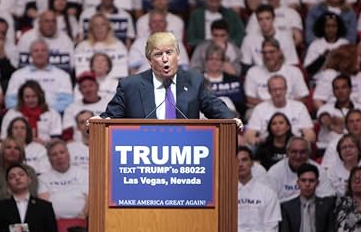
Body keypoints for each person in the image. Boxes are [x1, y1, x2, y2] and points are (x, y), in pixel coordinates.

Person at [100, 31, 235, 121]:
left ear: (178, 56)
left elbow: (215, 107)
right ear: (150, 61)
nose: (165, 59)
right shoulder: (130, 85)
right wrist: (100, 122)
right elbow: (110, 117)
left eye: (169, 53)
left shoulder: (193, 81)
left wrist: (231, 120)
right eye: (158, 54)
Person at [0, 163, 57, 232]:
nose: (17, 178)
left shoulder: (45, 207)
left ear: (29, 180)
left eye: (21, 174)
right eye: (12, 177)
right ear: (7, 184)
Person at [5, 39, 73, 114]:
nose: (40, 53)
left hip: (52, 116)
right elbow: (10, 101)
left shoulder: (62, 75)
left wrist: (45, 112)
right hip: (23, 116)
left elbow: (67, 102)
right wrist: (27, 112)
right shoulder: (17, 75)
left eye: (43, 50)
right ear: (30, 54)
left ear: (48, 53)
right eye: (36, 51)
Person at [246, 75, 315, 145]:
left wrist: (301, 144)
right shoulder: (259, 109)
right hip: (268, 147)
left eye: (280, 89)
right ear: (269, 91)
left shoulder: (299, 107)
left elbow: (310, 134)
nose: (278, 93)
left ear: (286, 89)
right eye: (274, 89)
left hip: (294, 147)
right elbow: (249, 134)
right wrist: (256, 141)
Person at [279, 163, 337, 232]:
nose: (307, 184)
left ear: (318, 183)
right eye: (303, 180)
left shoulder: (327, 205)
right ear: (297, 183)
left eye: (311, 180)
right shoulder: (287, 207)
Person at [267, 136, 334, 202]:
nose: (298, 156)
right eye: (294, 152)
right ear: (287, 153)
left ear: (309, 153)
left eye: (302, 152)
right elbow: (269, 201)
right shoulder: (275, 171)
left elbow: (327, 196)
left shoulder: (319, 171)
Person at [237, 146, 280, 232]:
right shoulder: (223, 195)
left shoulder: (268, 193)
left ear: (252, 163)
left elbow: (272, 231)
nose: (240, 164)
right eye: (236, 160)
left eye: (244, 160)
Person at [0, 137, 39, 212]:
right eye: (8, 147)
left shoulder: (29, 171)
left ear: (21, 153)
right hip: (0, 216)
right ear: (2, 151)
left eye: (16, 148)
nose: (12, 150)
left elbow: (32, 197)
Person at [38, 140, 88, 220]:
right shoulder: (42, 179)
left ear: (68, 155)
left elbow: (90, 198)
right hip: (54, 222)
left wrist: (84, 215)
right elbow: (44, 204)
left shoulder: (83, 174)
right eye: (54, 154)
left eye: (62, 152)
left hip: (82, 220)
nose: (59, 157)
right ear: (49, 159)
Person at [73, 13, 128, 79]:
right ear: (91, 29)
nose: (99, 28)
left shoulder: (118, 45)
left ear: (108, 27)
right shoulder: (82, 46)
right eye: (96, 25)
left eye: (103, 24)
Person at [303, 12, 349, 78]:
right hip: (318, 81)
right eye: (328, 26)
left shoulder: (345, 43)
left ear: (338, 27)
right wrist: (322, 57)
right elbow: (309, 71)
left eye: (334, 26)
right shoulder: (315, 45)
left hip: (341, 81)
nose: (331, 29)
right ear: (322, 28)